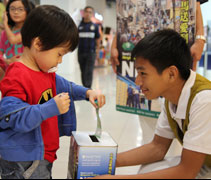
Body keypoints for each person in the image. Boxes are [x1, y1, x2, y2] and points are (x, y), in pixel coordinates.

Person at [0, 5, 106, 179]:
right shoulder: (17, 74)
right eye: (59, 54)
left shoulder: (45, 72)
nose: (60, 60)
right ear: (38, 43)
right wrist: (50, 108)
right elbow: (13, 116)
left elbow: (68, 87)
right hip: (24, 160)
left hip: (41, 154)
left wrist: (88, 93)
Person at [95, 29, 211, 179]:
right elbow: (157, 147)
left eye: (143, 73)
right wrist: (107, 161)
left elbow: (187, 172)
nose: (137, 82)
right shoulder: (172, 96)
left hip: (201, 168)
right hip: (204, 165)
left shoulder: (204, 101)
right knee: (148, 170)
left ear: (171, 74)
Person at [0, 0, 34, 69]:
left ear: (27, 11)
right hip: (9, 70)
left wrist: (5, 24)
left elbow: (13, 40)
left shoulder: (30, 29)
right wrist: (7, 61)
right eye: (12, 9)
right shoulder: (4, 33)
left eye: (20, 9)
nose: (16, 12)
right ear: (7, 12)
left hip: (27, 69)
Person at [78, 6, 101, 88]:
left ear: (92, 14)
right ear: (83, 13)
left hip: (91, 52)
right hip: (80, 52)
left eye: (90, 12)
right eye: (86, 12)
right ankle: (84, 87)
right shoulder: (79, 26)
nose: (88, 13)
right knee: (83, 70)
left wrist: (97, 50)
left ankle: (88, 88)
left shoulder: (95, 26)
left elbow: (98, 39)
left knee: (89, 70)